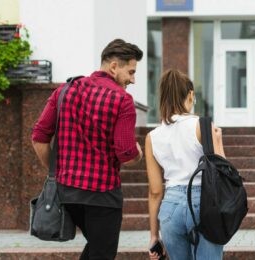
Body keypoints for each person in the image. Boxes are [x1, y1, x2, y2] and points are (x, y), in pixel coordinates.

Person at [31, 38, 144, 259]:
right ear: (113, 67)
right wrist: (138, 153)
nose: (133, 79)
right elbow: (127, 154)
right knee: (102, 253)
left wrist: (56, 173)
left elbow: (39, 137)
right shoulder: (123, 100)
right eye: (130, 72)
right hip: (102, 194)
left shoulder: (64, 90)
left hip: (67, 191)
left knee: (95, 249)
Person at [145, 69, 226, 260]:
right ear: (190, 96)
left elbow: (155, 191)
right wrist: (219, 142)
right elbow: (224, 171)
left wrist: (154, 236)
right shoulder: (203, 125)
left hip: (170, 207)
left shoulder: (152, 137)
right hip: (204, 203)